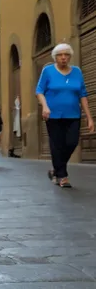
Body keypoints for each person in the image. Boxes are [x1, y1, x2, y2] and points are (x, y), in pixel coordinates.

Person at [36, 43, 94, 188]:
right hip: (53, 115)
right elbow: (39, 91)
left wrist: (89, 117)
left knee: (72, 142)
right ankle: (63, 176)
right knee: (57, 145)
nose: (63, 58)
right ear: (55, 57)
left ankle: (56, 169)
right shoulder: (48, 71)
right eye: (60, 55)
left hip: (73, 114)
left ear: (70, 56)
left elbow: (83, 95)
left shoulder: (77, 72)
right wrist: (45, 106)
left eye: (66, 55)